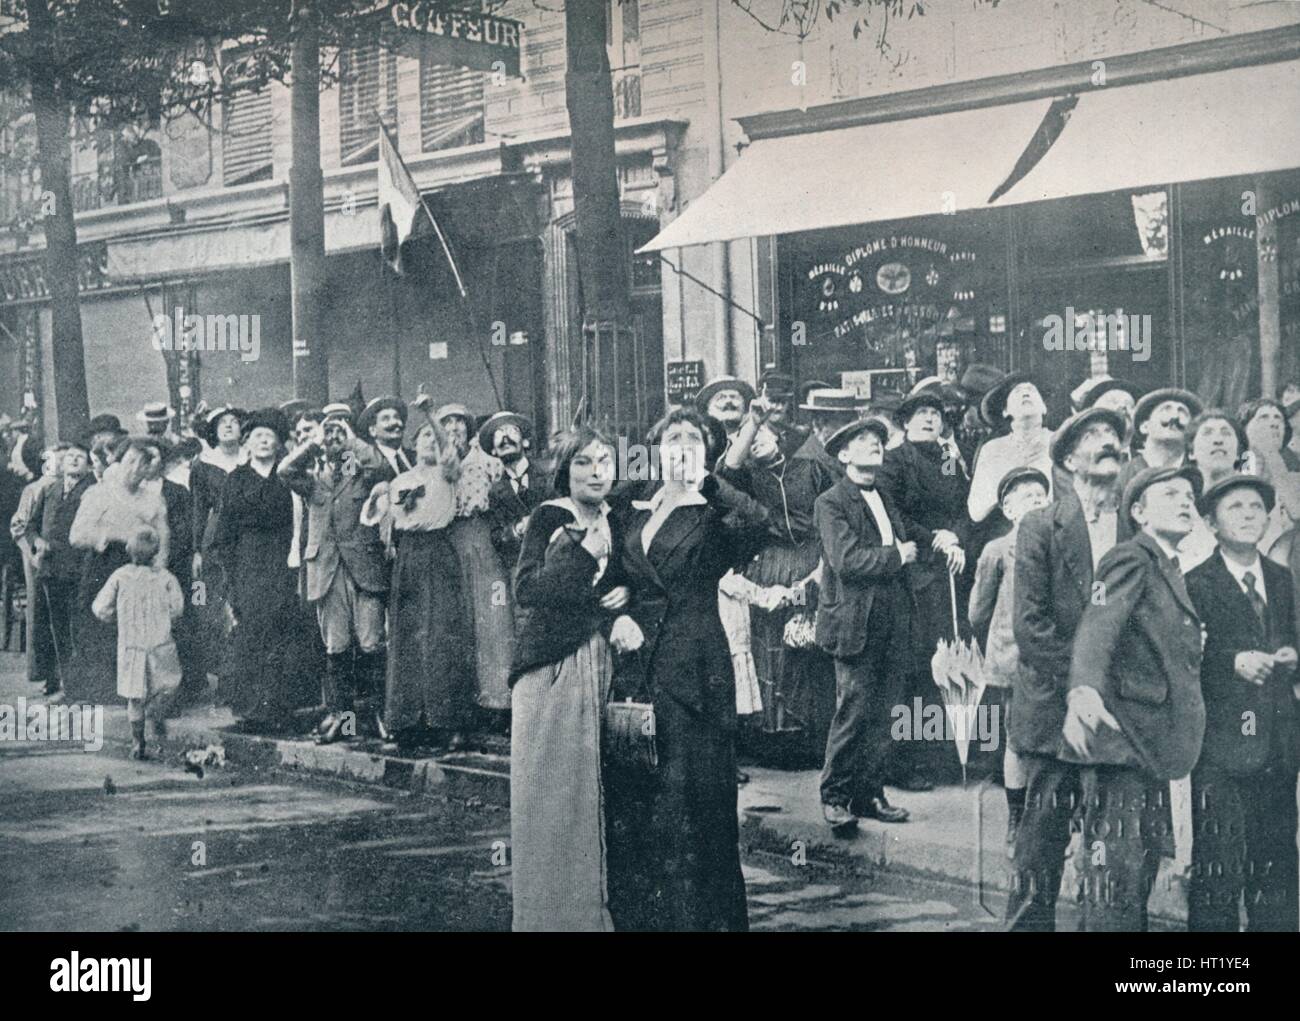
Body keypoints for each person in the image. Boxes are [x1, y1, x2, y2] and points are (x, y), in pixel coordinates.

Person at [605, 407, 771, 932]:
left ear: (705, 449)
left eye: (692, 437)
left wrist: (711, 482)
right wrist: (617, 610)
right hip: (637, 671)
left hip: (695, 670)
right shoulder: (633, 509)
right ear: (655, 449)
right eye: (671, 436)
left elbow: (758, 525)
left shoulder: (714, 511)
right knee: (639, 806)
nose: (680, 443)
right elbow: (606, 573)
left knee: (695, 805)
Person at [1062, 464, 1206, 932]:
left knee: (1133, 872)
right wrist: (1083, 687)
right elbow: (1098, 624)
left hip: (1149, 745)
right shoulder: (1131, 558)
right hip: (1122, 741)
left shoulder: (1167, 565)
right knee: (1116, 875)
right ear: (1139, 511)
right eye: (1171, 495)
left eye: (1189, 495)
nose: (1186, 502)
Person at [1007, 405, 1126, 931]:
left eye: (1114, 437)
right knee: (1039, 854)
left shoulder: (1136, 527)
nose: (1108, 443)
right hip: (1055, 709)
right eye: (1094, 436)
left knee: (1117, 855)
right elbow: (1030, 628)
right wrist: (1083, 688)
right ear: (1071, 459)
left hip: (1122, 712)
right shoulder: (1040, 526)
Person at [508, 426, 627, 931]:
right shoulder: (550, 517)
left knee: (598, 791)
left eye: (604, 461)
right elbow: (527, 588)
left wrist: (622, 599)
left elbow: (622, 580)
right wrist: (583, 553)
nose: (597, 471)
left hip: (600, 659)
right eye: (583, 463)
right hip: (551, 666)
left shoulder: (618, 517)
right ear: (564, 470)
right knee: (554, 792)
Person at [1185, 474, 1298, 932]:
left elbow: (1291, 634)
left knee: (1277, 862)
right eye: (1236, 508)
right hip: (1222, 748)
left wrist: (1293, 655)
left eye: (1256, 508)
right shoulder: (1195, 583)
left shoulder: (1281, 577)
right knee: (1219, 866)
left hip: (1278, 744)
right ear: (1212, 524)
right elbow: (1183, 658)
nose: (1249, 515)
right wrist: (1231, 662)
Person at [815, 417, 916, 828]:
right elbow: (847, 560)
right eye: (863, 440)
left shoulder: (885, 495)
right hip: (855, 623)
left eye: (878, 441)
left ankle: (869, 794)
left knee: (886, 711)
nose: (874, 445)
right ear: (843, 455)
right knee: (854, 710)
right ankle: (835, 797)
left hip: (892, 619)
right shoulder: (831, 501)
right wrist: (897, 555)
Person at [877, 381, 970, 790]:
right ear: (906, 420)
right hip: (914, 575)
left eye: (936, 414)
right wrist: (934, 538)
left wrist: (955, 536)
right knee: (918, 667)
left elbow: (963, 507)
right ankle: (906, 763)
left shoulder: (948, 460)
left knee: (950, 663)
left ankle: (946, 758)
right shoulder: (895, 460)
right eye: (921, 413)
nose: (930, 418)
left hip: (949, 570)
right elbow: (893, 514)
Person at [279, 407, 391, 743]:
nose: (333, 440)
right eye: (330, 434)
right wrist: (313, 443)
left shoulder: (361, 471)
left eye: (337, 432)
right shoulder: (313, 481)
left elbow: (382, 467)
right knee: (336, 646)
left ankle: (380, 715)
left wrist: (352, 439)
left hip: (364, 570)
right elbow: (285, 470)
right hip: (327, 572)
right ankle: (342, 717)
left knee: (372, 643)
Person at [362, 418, 473, 747]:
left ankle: (448, 721)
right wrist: (379, 498)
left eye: (434, 437)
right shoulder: (401, 481)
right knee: (407, 636)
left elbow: (450, 452)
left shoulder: (448, 473)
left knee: (442, 634)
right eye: (424, 436)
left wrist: (431, 416)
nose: (430, 442)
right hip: (408, 555)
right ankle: (408, 720)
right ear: (414, 444)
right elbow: (387, 520)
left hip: (439, 550)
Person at [968, 466, 1050, 849]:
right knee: (1016, 740)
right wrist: (999, 640)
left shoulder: (1057, 548)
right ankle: (1016, 817)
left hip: (1050, 659)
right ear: (1008, 507)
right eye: (1026, 495)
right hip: (1012, 660)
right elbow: (978, 611)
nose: (1036, 500)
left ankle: (1048, 814)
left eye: (1041, 495)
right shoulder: (997, 550)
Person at [208, 408, 305, 730]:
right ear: (247, 443)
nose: (264, 442)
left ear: (279, 444)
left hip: (283, 558)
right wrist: (230, 575)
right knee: (252, 630)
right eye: (258, 436)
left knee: (283, 630)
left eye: (270, 436)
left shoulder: (289, 476)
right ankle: (251, 708)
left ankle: (280, 706)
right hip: (248, 560)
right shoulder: (236, 480)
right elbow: (225, 531)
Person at [68, 438, 170, 704]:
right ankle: (99, 689)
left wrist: (159, 572)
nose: (135, 468)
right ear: (118, 462)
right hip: (104, 565)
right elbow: (77, 535)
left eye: (142, 463)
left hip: (140, 568)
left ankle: (133, 689)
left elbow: (163, 538)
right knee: (100, 623)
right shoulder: (98, 494)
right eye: (130, 461)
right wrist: (114, 534)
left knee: (137, 628)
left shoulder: (153, 500)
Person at [434, 401, 510, 718]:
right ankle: (465, 705)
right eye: (446, 424)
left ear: (469, 428)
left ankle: (498, 700)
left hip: (482, 542)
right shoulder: (437, 465)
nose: (454, 430)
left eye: (459, 423)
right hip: (449, 544)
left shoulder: (488, 463)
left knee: (493, 620)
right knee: (458, 623)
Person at [92, 526, 184, 759]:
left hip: (131, 645)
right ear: (156, 552)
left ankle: (137, 741)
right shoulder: (166, 578)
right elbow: (178, 608)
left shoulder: (120, 576)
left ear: (129, 551)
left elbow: (100, 607)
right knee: (167, 685)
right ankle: (155, 712)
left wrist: (116, 618)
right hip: (160, 643)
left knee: (135, 696)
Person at [29, 440, 95, 697]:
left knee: (77, 626)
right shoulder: (49, 490)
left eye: (80, 457)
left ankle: (78, 684)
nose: (75, 461)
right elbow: (31, 525)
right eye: (70, 457)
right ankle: (58, 678)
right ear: (62, 463)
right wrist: (37, 542)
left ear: (89, 464)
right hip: (50, 570)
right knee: (53, 626)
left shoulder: (92, 490)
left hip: (79, 569)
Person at [968, 374, 1054, 527]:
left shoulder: (1058, 442)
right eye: (1017, 392)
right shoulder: (992, 449)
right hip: (1005, 533)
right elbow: (976, 511)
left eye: (1032, 390)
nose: (1025, 393)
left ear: (1044, 407)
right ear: (1005, 411)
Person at [1180, 409, 1248, 572]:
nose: (1218, 440)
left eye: (1226, 434)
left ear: (1239, 453)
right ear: (1191, 452)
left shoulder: (1257, 502)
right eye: (1207, 433)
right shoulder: (1180, 505)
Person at [483, 411, 545, 572]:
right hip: (522, 571)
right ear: (494, 451)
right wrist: (517, 529)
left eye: (512, 431)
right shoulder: (495, 493)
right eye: (499, 434)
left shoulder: (548, 476)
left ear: (525, 442)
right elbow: (497, 538)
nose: (505, 438)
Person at [1117, 387, 1202, 495]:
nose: (1175, 417)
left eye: (1182, 412)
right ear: (1145, 427)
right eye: (1166, 410)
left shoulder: (1200, 473)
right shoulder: (1123, 475)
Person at [357, 396, 414, 478]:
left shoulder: (415, 457)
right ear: (373, 430)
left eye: (397, 417)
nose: (394, 422)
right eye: (386, 419)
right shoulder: (366, 465)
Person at [694, 376, 754, 447]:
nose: (728, 401)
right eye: (721, 398)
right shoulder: (701, 442)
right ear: (708, 409)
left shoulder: (757, 438)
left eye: (734, 397)